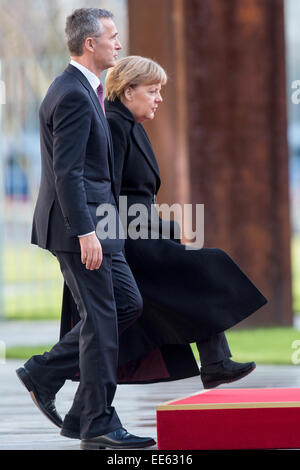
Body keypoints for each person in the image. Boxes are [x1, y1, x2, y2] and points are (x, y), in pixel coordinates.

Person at [15, 11, 155, 450]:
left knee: (125, 305)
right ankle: (96, 420)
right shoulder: (72, 94)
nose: (119, 43)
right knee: (101, 320)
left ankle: (47, 375)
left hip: (99, 225)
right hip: (81, 229)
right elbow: (68, 173)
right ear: (90, 44)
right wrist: (85, 233)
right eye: (112, 37)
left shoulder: (87, 90)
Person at [103, 55, 268, 387]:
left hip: (145, 234)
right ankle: (215, 362)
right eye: (153, 90)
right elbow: (108, 193)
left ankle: (215, 362)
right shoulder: (115, 126)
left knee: (200, 271)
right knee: (208, 264)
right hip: (129, 243)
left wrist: (166, 229)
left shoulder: (132, 125)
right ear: (128, 90)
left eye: (160, 90)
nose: (159, 98)